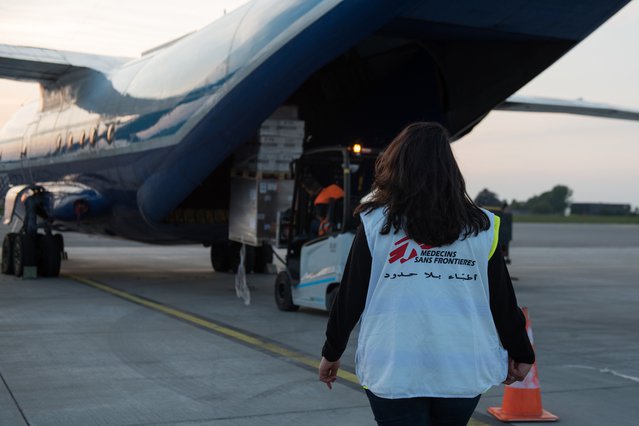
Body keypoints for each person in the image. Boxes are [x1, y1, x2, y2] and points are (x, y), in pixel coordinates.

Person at [318, 122, 534, 426]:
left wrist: (332, 351)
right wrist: (522, 352)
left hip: (393, 368)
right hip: (461, 369)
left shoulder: (375, 224)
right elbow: (501, 300)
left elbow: (350, 297)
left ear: (396, 166)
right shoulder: (483, 226)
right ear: (450, 169)